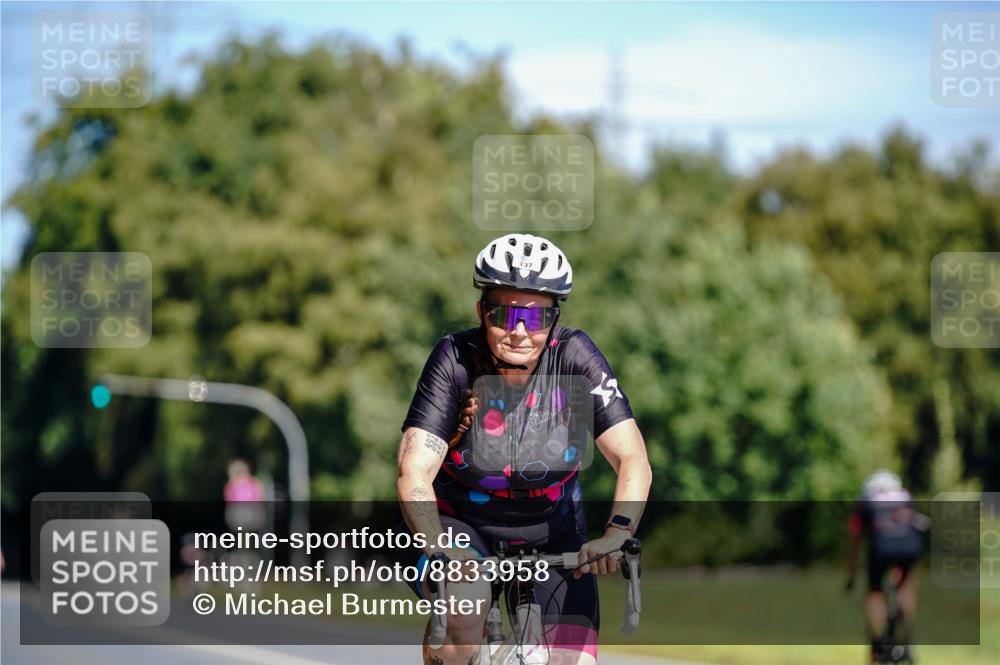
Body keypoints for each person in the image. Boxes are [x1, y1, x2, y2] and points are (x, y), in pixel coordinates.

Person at [396, 233, 652, 665]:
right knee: (464, 605)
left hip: (552, 525)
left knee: (573, 659)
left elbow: (632, 458)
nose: (518, 332)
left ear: (553, 320)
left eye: (534, 318)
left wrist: (618, 532)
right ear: (481, 312)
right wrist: (437, 544)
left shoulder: (575, 356)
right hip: (460, 522)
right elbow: (414, 470)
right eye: (503, 315)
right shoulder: (454, 359)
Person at [845, 470, 926, 662]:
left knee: (874, 591)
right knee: (905, 585)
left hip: (881, 548)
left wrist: (852, 575)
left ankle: (879, 639)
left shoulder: (865, 502)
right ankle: (906, 633)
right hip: (910, 549)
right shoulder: (906, 497)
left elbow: (856, 541)